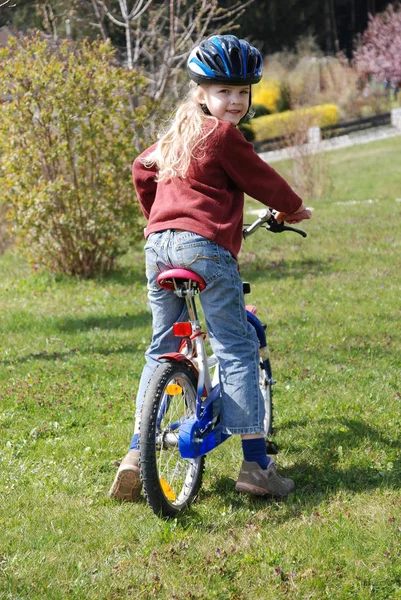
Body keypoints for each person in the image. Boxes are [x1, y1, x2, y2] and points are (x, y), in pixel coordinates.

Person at [109, 34, 311, 502]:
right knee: (235, 347)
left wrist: (159, 220)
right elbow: (261, 177)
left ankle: (137, 454)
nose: (236, 101)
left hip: (158, 248)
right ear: (200, 93)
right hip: (204, 249)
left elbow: (142, 170)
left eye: (243, 92)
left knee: (162, 349)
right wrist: (293, 207)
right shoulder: (223, 136)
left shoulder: (171, 138)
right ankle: (257, 465)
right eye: (225, 91)